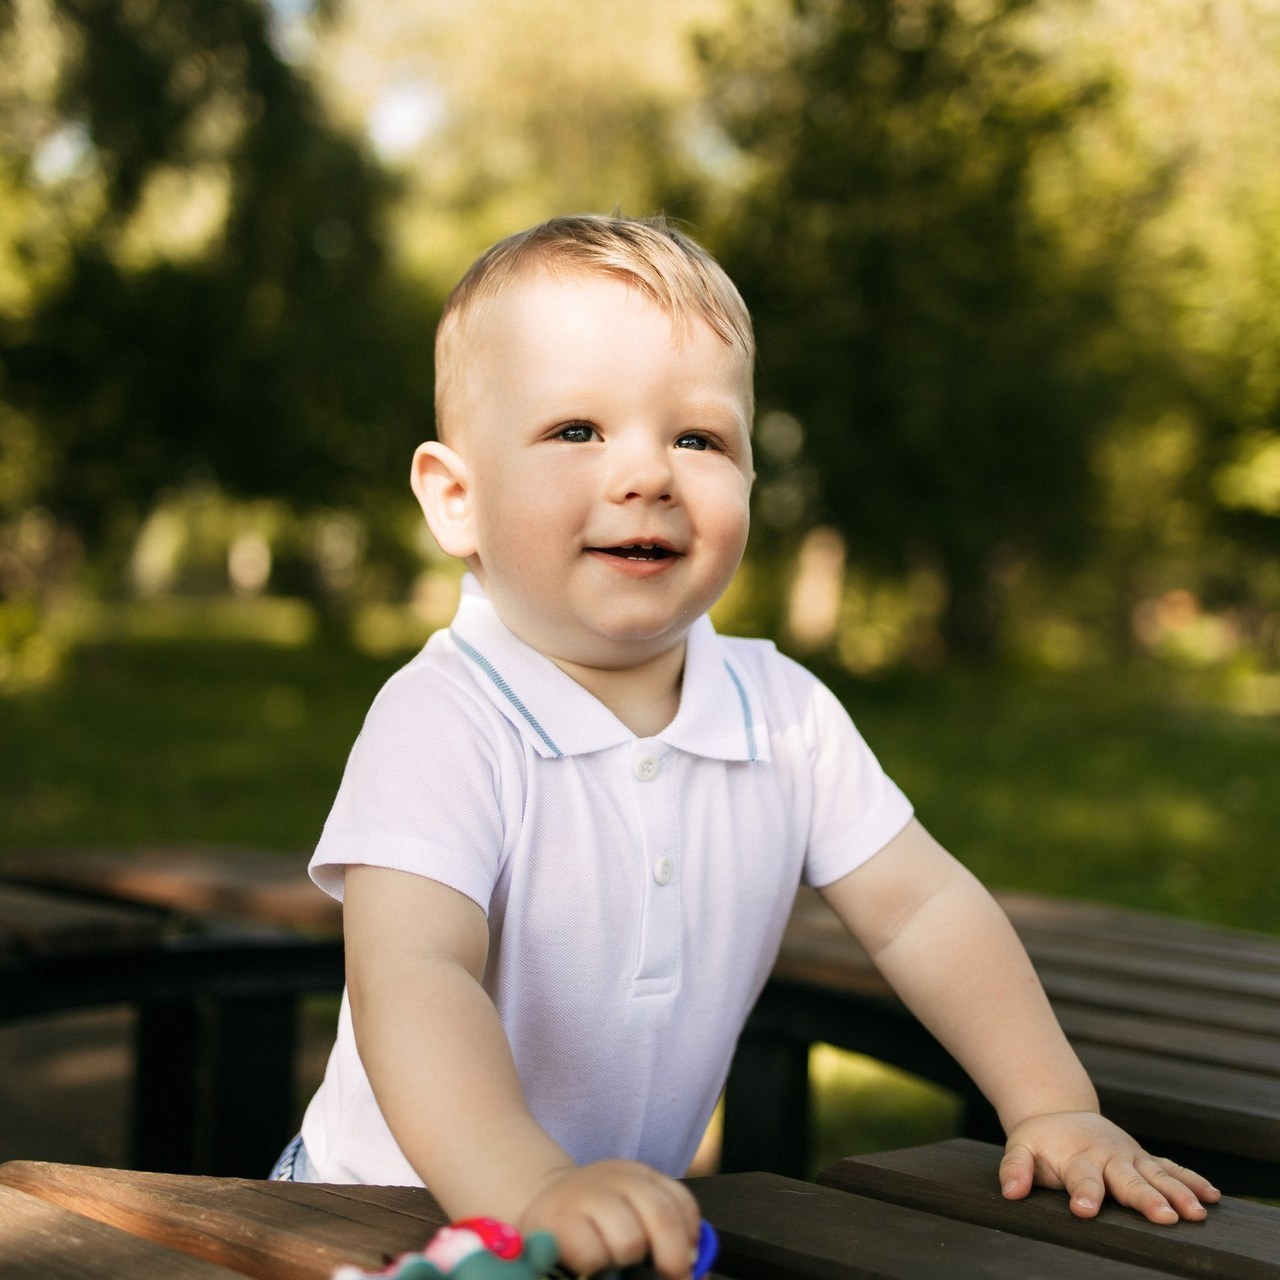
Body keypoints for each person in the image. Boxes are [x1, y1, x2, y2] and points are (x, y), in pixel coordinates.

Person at [280, 214, 1219, 1279]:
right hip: (378, 1223)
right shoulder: (446, 717)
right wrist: (530, 1187)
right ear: (457, 497)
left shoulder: (782, 712)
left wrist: (1050, 1100)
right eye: (578, 431)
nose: (647, 474)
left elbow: (923, 908)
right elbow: (415, 972)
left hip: (612, 1228)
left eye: (699, 438)